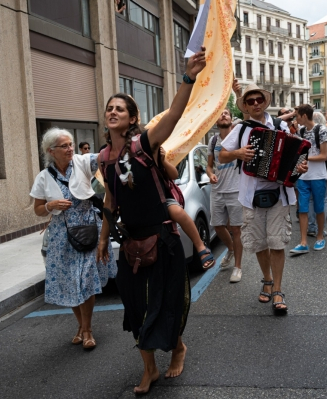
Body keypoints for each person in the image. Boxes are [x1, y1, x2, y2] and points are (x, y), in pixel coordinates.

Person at [96, 49, 206, 394]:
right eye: (109, 108)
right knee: (135, 307)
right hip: (130, 244)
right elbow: (111, 201)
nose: (113, 112)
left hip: (162, 239)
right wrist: (103, 239)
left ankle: (178, 349)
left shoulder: (143, 145)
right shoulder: (102, 158)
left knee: (166, 302)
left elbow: (174, 114)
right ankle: (149, 370)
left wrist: (188, 77)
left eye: (120, 109)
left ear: (131, 119)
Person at [219, 83, 308, 313]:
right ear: (246, 105)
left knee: (277, 243)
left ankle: (278, 289)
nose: (256, 103)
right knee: (259, 243)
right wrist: (238, 153)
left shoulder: (280, 126)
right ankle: (267, 280)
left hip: (279, 194)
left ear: (265, 102)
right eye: (251, 101)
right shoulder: (240, 129)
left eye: (259, 99)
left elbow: (297, 156)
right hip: (251, 196)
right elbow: (221, 155)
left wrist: (300, 166)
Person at [30, 128, 117, 351]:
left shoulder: (83, 162)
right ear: (51, 151)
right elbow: (38, 209)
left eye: (71, 144)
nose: (70, 149)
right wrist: (51, 205)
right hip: (62, 235)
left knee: (86, 278)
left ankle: (87, 330)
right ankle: (81, 326)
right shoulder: (44, 177)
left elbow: (106, 156)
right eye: (64, 146)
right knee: (71, 282)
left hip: (88, 228)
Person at [158, 147, 215, 269]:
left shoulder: (154, 153)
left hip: (162, 199)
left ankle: (200, 246)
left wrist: (162, 160)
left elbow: (174, 174)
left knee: (178, 212)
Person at [206, 108, 244, 282]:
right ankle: (230, 249)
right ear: (215, 122)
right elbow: (209, 165)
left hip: (235, 189)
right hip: (217, 190)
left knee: (236, 229)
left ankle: (237, 267)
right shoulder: (213, 141)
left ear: (231, 119)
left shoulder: (238, 138)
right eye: (219, 113)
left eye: (226, 113)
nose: (223, 115)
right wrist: (210, 174)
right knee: (217, 225)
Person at [290, 105, 327, 254]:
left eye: (297, 116)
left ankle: (320, 237)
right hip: (303, 176)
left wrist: (306, 158)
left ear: (304, 116)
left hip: (318, 175)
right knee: (303, 208)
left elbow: (324, 155)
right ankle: (303, 242)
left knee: (319, 207)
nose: (296, 119)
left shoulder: (321, 130)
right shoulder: (300, 131)